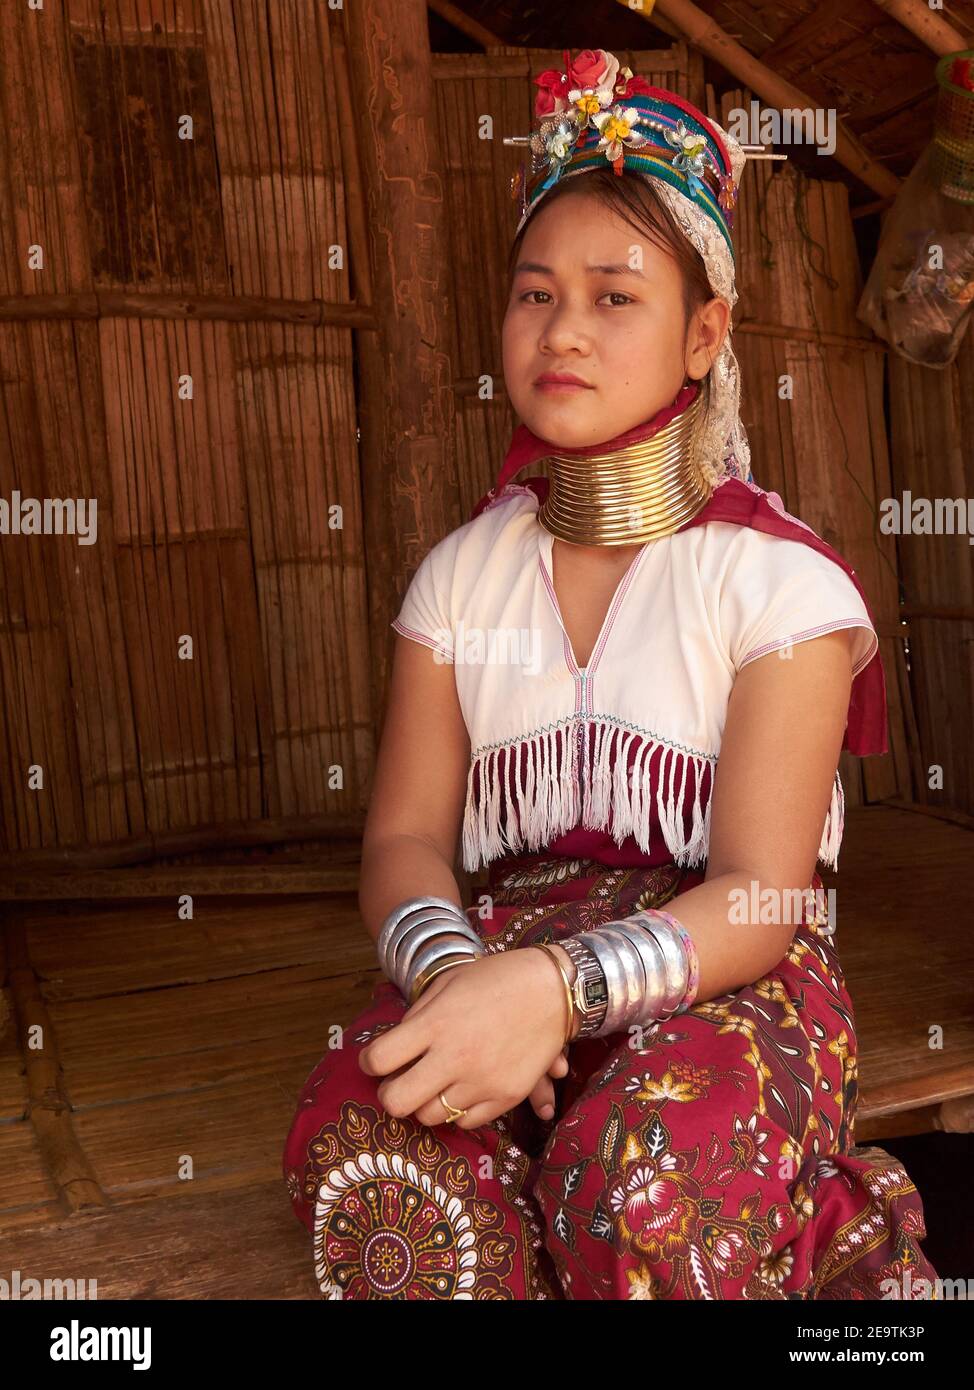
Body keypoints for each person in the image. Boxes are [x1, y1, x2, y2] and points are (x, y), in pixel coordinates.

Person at [283, 50, 939, 1300]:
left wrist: (559, 989)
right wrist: (459, 981)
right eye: (534, 294)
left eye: (613, 296)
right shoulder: (459, 580)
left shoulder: (778, 587)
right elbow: (405, 842)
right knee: (373, 1153)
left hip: (725, 965)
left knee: (640, 1165)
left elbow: (757, 895)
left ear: (705, 336)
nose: (563, 329)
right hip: (489, 951)